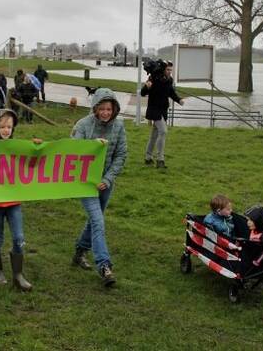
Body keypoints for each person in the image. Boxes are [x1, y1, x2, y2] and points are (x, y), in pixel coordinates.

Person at [70, 88, 127, 287]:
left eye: (109, 109)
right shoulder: (83, 125)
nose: (105, 113)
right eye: (101, 109)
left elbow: (120, 155)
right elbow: (72, 151)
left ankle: (79, 251)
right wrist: (91, 145)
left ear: (114, 109)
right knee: (98, 221)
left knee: (96, 220)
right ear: (95, 108)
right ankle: (104, 266)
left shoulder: (119, 127)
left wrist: (108, 179)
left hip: (105, 183)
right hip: (85, 182)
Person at [0, 109, 37, 291]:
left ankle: (18, 275)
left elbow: (32, 164)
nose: (6, 130)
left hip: (14, 201)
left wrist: (36, 149)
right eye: (2, 126)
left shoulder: (17, 146)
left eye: (9, 126)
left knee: (19, 238)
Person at [140, 61, 184, 169]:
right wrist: (147, 87)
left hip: (163, 110)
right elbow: (142, 93)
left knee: (154, 135)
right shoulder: (153, 78)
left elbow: (171, 93)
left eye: (171, 70)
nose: (169, 72)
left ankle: (148, 158)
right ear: (163, 69)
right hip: (154, 110)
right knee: (163, 131)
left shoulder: (169, 80)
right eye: (168, 70)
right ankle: (160, 160)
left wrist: (179, 100)